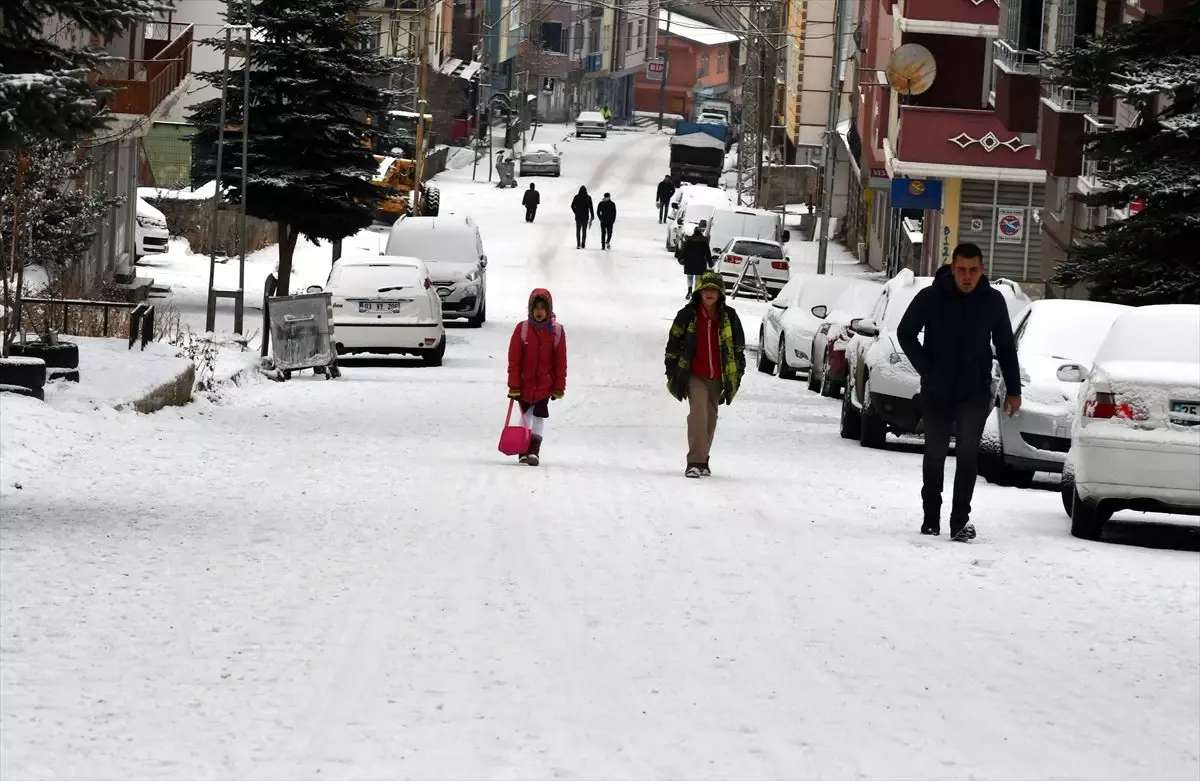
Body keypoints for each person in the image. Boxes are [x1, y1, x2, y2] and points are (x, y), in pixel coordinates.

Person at [897, 242, 1022, 542]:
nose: (967, 276)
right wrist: (927, 367)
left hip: (974, 391)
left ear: (982, 270)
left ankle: (959, 521)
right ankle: (930, 517)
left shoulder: (992, 302)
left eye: (974, 270)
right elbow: (905, 333)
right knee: (935, 453)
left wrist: (1013, 389)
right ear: (952, 269)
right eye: (962, 270)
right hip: (937, 390)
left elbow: (1005, 346)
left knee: (967, 454)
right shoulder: (930, 297)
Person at [664, 272, 746, 478]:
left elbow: (738, 349)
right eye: (706, 289)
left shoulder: (729, 317)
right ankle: (694, 461)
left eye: (714, 290)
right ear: (699, 292)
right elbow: (673, 345)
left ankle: (703, 459)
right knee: (698, 415)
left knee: (710, 419)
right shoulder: (687, 315)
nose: (709, 293)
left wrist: (737, 374)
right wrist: (673, 373)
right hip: (694, 375)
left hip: (718, 377)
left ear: (720, 294)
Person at [507, 288, 568, 467]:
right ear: (530, 309)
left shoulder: (556, 332)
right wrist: (514, 384)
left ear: (549, 310)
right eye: (536, 308)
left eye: (543, 308)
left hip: (544, 385)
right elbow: (514, 359)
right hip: (524, 385)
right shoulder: (523, 329)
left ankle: (534, 450)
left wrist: (559, 386)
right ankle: (523, 449)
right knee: (525, 415)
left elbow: (560, 362)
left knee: (539, 416)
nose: (539, 312)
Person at [674, 220, 713, 299]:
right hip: (700, 263)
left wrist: (680, 258)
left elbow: (684, 250)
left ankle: (689, 291)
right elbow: (707, 253)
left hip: (689, 263)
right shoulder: (704, 242)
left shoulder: (689, 241)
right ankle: (696, 292)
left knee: (689, 277)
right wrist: (710, 262)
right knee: (698, 279)